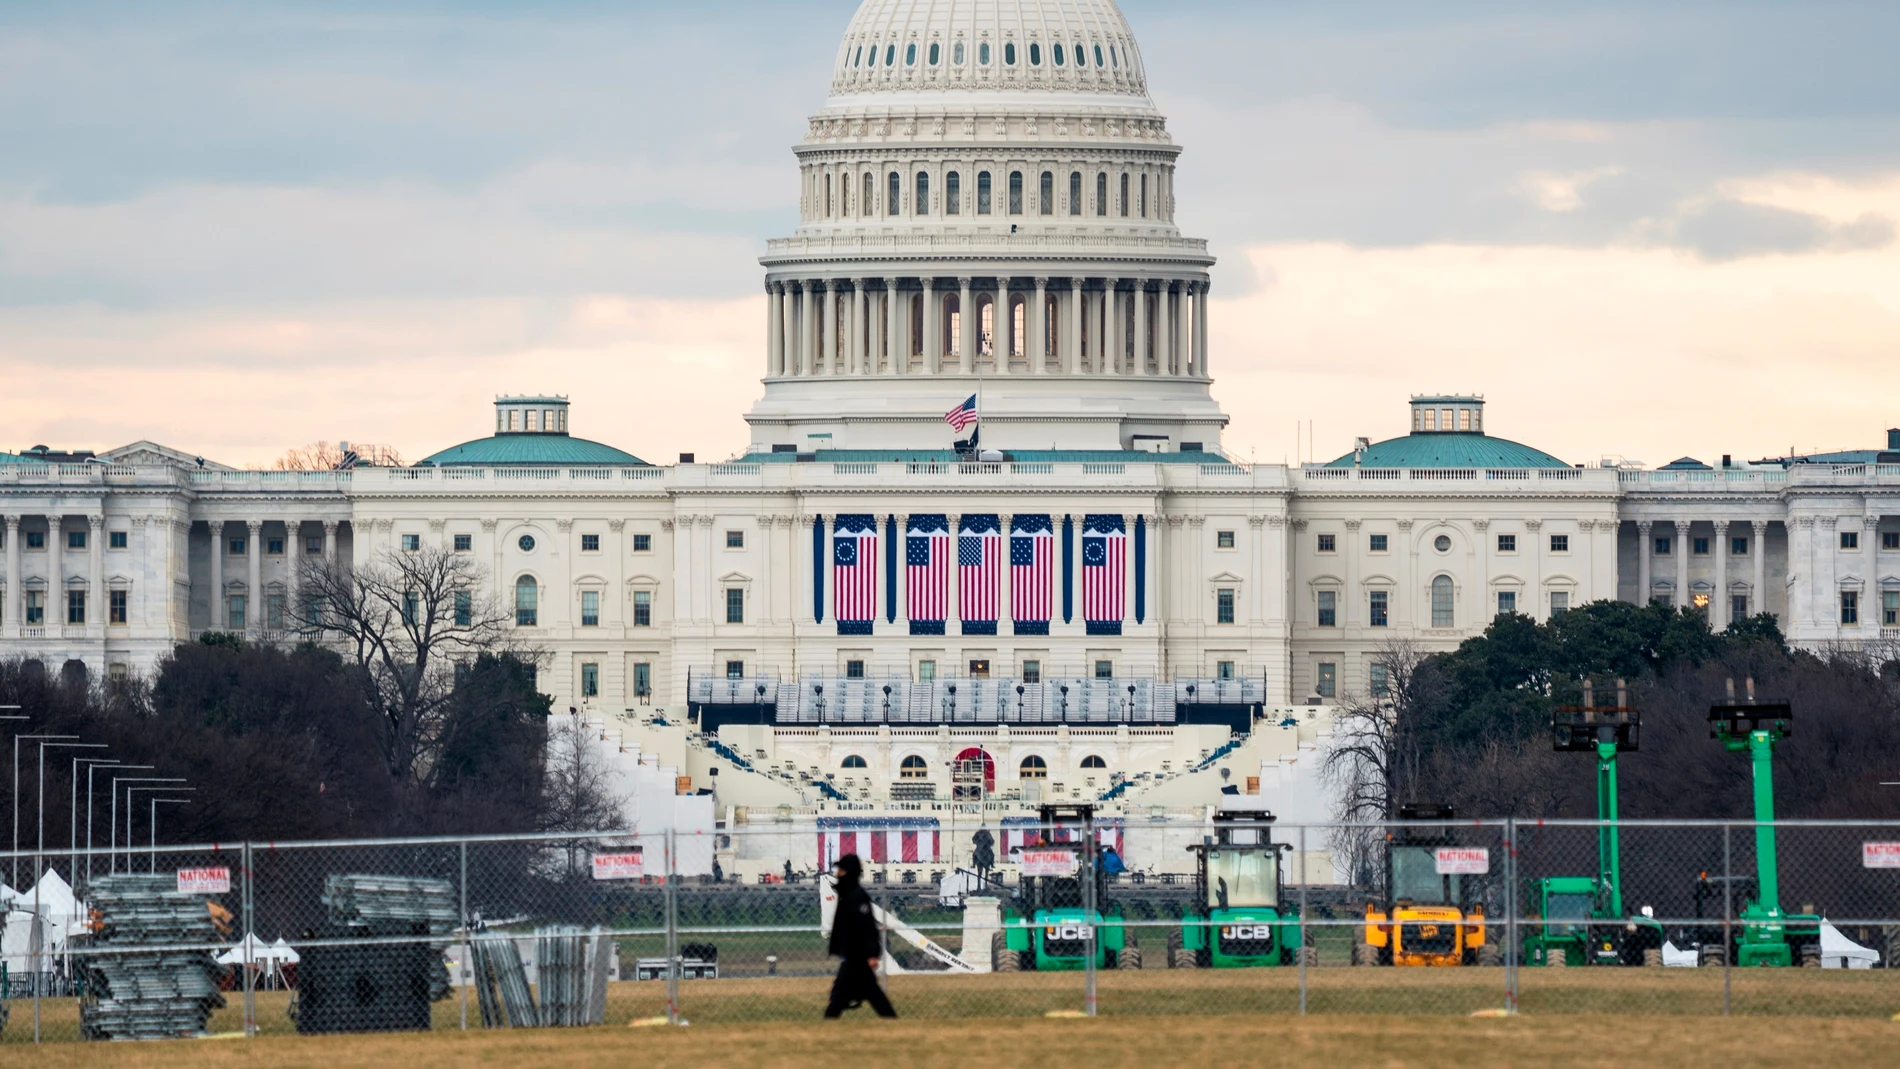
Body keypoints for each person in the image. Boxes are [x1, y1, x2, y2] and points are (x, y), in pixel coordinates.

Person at [824, 854, 897, 1019]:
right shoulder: (848, 895)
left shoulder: (857, 897)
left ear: (849, 872)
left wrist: (872, 953)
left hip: (857, 956)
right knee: (870, 993)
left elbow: (868, 927)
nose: (838, 874)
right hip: (852, 955)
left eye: (841, 870)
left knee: (841, 994)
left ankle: (827, 1022)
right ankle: (891, 1020)